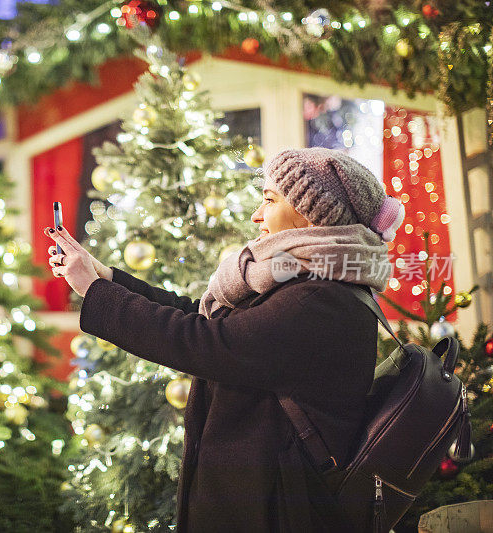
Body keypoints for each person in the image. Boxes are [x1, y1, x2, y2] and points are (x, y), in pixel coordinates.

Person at [44, 147, 405, 532]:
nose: (256, 215)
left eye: (269, 200)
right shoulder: (303, 279)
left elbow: (205, 343)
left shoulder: (320, 298)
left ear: (313, 215)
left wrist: (98, 293)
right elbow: (204, 315)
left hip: (276, 506)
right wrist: (107, 279)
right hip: (265, 490)